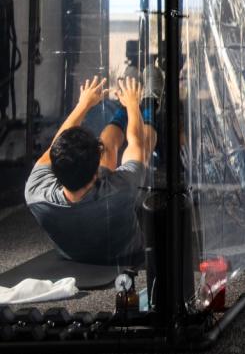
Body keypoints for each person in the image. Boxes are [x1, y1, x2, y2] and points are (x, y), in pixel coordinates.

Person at [24, 71, 160, 266]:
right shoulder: (122, 190)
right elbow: (135, 143)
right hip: (124, 256)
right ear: (97, 172)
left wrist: (84, 104)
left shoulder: (35, 193)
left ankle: (122, 108)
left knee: (106, 144)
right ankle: (149, 104)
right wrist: (133, 105)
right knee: (143, 147)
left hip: (74, 256)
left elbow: (53, 150)